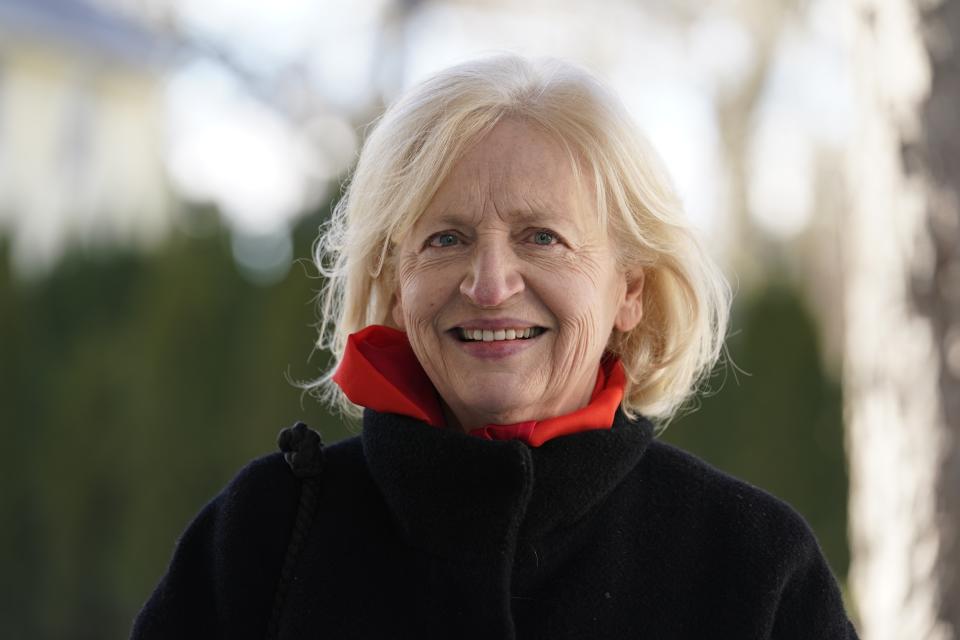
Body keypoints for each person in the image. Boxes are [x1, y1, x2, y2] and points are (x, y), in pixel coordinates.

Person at [132, 55, 859, 639]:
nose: (488, 285)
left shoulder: (751, 565)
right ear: (392, 278)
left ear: (629, 291)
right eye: (445, 239)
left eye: (541, 237)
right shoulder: (266, 535)